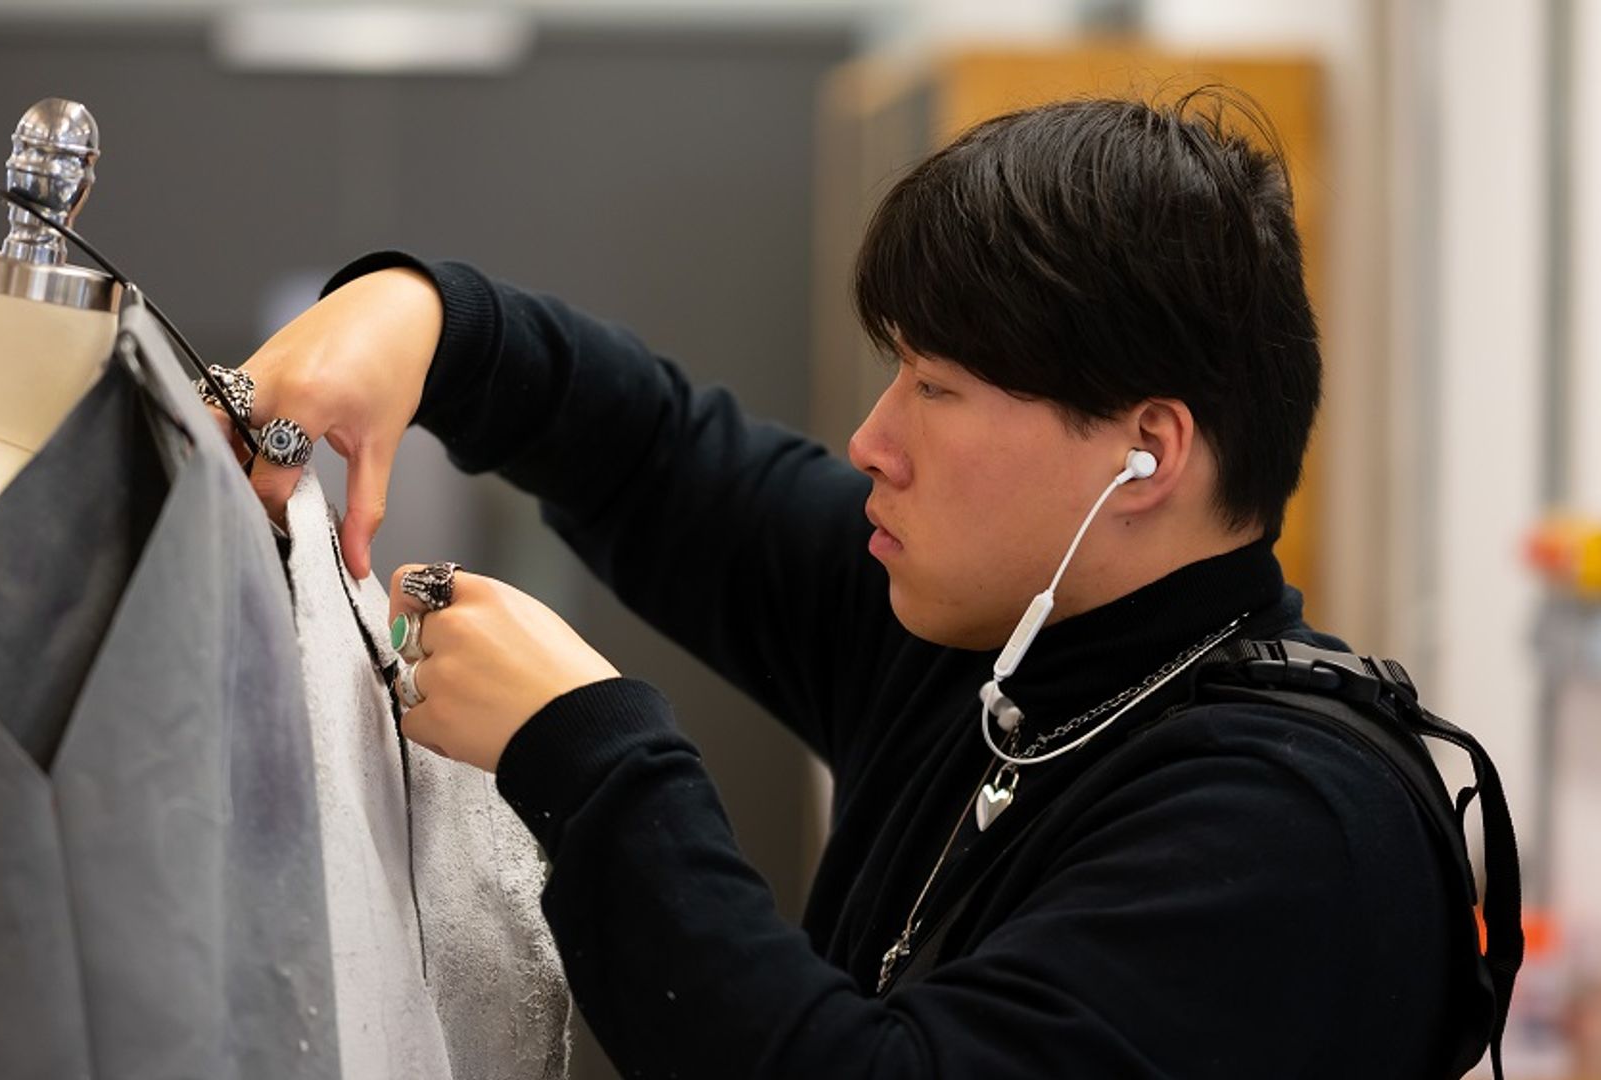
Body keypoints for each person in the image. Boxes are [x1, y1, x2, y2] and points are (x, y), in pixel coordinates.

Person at [225, 92, 1477, 1077]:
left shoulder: (1288, 832)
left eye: (935, 389)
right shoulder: (986, 637)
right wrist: (419, 315)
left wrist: (593, 756)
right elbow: (652, 456)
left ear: (1144, 452)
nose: (874, 441)